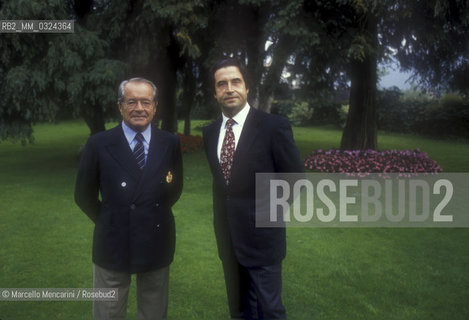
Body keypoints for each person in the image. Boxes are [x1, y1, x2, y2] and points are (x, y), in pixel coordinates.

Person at [203, 58, 304, 320]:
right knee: (240, 310)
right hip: (228, 239)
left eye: (236, 81)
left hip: (263, 241)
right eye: (221, 84)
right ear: (215, 92)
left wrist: (268, 217)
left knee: (269, 310)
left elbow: (294, 179)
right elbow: (223, 185)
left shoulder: (273, 127)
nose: (229, 88)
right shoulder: (211, 133)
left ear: (247, 88)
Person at [75, 77, 183, 320]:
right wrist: (110, 219)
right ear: (120, 106)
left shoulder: (170, 142)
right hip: (112, 241)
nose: (139, 108)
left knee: (154, 311)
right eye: (131, 101)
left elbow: (174, 189)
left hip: (156, 238)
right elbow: (83, 195)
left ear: (155, 106)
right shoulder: (99, 144)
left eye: (146, 102)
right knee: (108, 313)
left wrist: (149, 213)